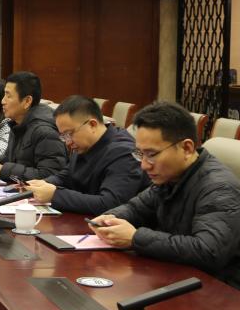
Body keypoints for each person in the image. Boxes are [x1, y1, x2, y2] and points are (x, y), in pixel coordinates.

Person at [91, 101, 240, 289]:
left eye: (152, 154)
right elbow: (136, 208)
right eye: (140, 154)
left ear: (187, 148)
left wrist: (135, 238)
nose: (144, 165)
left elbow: (208, 251)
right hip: (175, 276)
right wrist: (110, 219)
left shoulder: (220, 188)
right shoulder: (171, 176)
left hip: (217, 291)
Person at [25, 95, 146, 215]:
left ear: (92, 124)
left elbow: (110, 204)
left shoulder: (124, 152)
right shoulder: (85, 144)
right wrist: (43, 184)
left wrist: (55, 195)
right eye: (64, 136)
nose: (67, 142)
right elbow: (66, 176)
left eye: (69, 134)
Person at [0, 71, 67, 181]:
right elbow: (11, 160)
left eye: (8, 96)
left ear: (27, 101)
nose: (3, 101)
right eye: (4, 95)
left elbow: (50, 175)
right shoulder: (16, 124)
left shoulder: (45, 131)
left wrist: (4, 170)